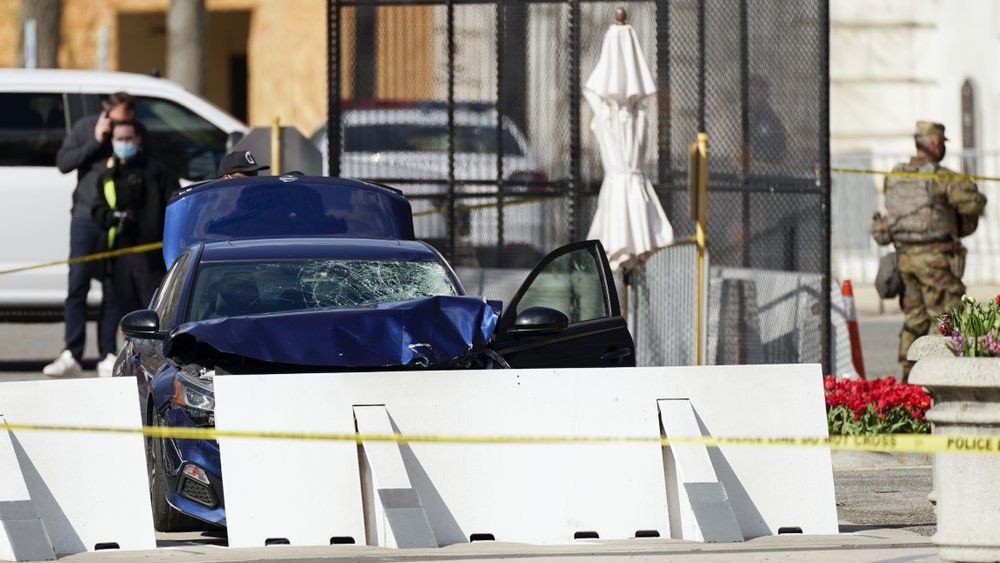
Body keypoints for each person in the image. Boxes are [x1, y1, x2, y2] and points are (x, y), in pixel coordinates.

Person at [871, 120, 987, 379]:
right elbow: (972, 204)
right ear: (935, 144)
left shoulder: (896, 175)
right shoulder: (941, 177)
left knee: (914, 321)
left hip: (905, 262)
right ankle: (943, 380)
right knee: (948, 321)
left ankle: (908, 383)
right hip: (936, 264)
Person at [45, 92, 146, 378]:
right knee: (77, 285)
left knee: (113, 288)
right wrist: (96, 140)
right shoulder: (86, 127)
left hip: (116, 222)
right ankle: (71, 353)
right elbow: (64, 163)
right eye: (116, 122)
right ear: (106, 113)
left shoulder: (134, 133)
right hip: (86, 218)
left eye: (126, 122)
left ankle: (107, 352)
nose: (120, 128)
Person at [91, 120, 178, 319]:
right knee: (126, 313)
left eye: (128, 138)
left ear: (138, 140)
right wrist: (111, 217)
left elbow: (174, 206)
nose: (124, 143)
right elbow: (97, 209)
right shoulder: (108, 175)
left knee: (155, 310)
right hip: (120, 253)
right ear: (112, 141)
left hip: (151, 254)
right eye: (119, 139)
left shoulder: (156, 170)